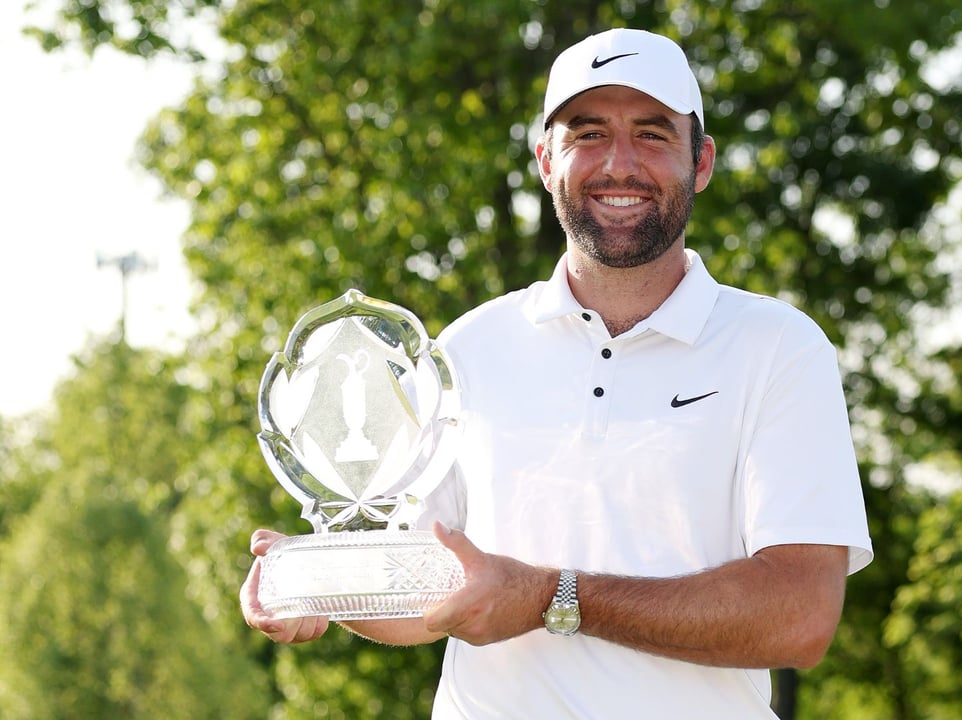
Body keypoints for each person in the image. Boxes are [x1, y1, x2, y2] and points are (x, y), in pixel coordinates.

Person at [241, 27, 873, 719]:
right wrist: (320, 587)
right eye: (589, 134)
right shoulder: (467, 348)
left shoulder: (780, 348)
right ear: (546, 161)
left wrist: (553, 597)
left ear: (701, 162)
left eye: (653, 134)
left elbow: (800, 615)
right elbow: (426, 589)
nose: (620, 164)